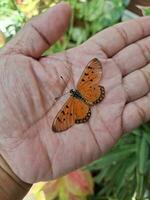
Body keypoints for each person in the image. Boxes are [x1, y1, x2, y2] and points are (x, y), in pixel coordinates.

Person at [0, 2, 150, 200]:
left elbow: (92, 69)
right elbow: (91, 71)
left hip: (80, 106)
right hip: (90, 93)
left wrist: (7, 170)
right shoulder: (77, 90)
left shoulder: (69, 102)